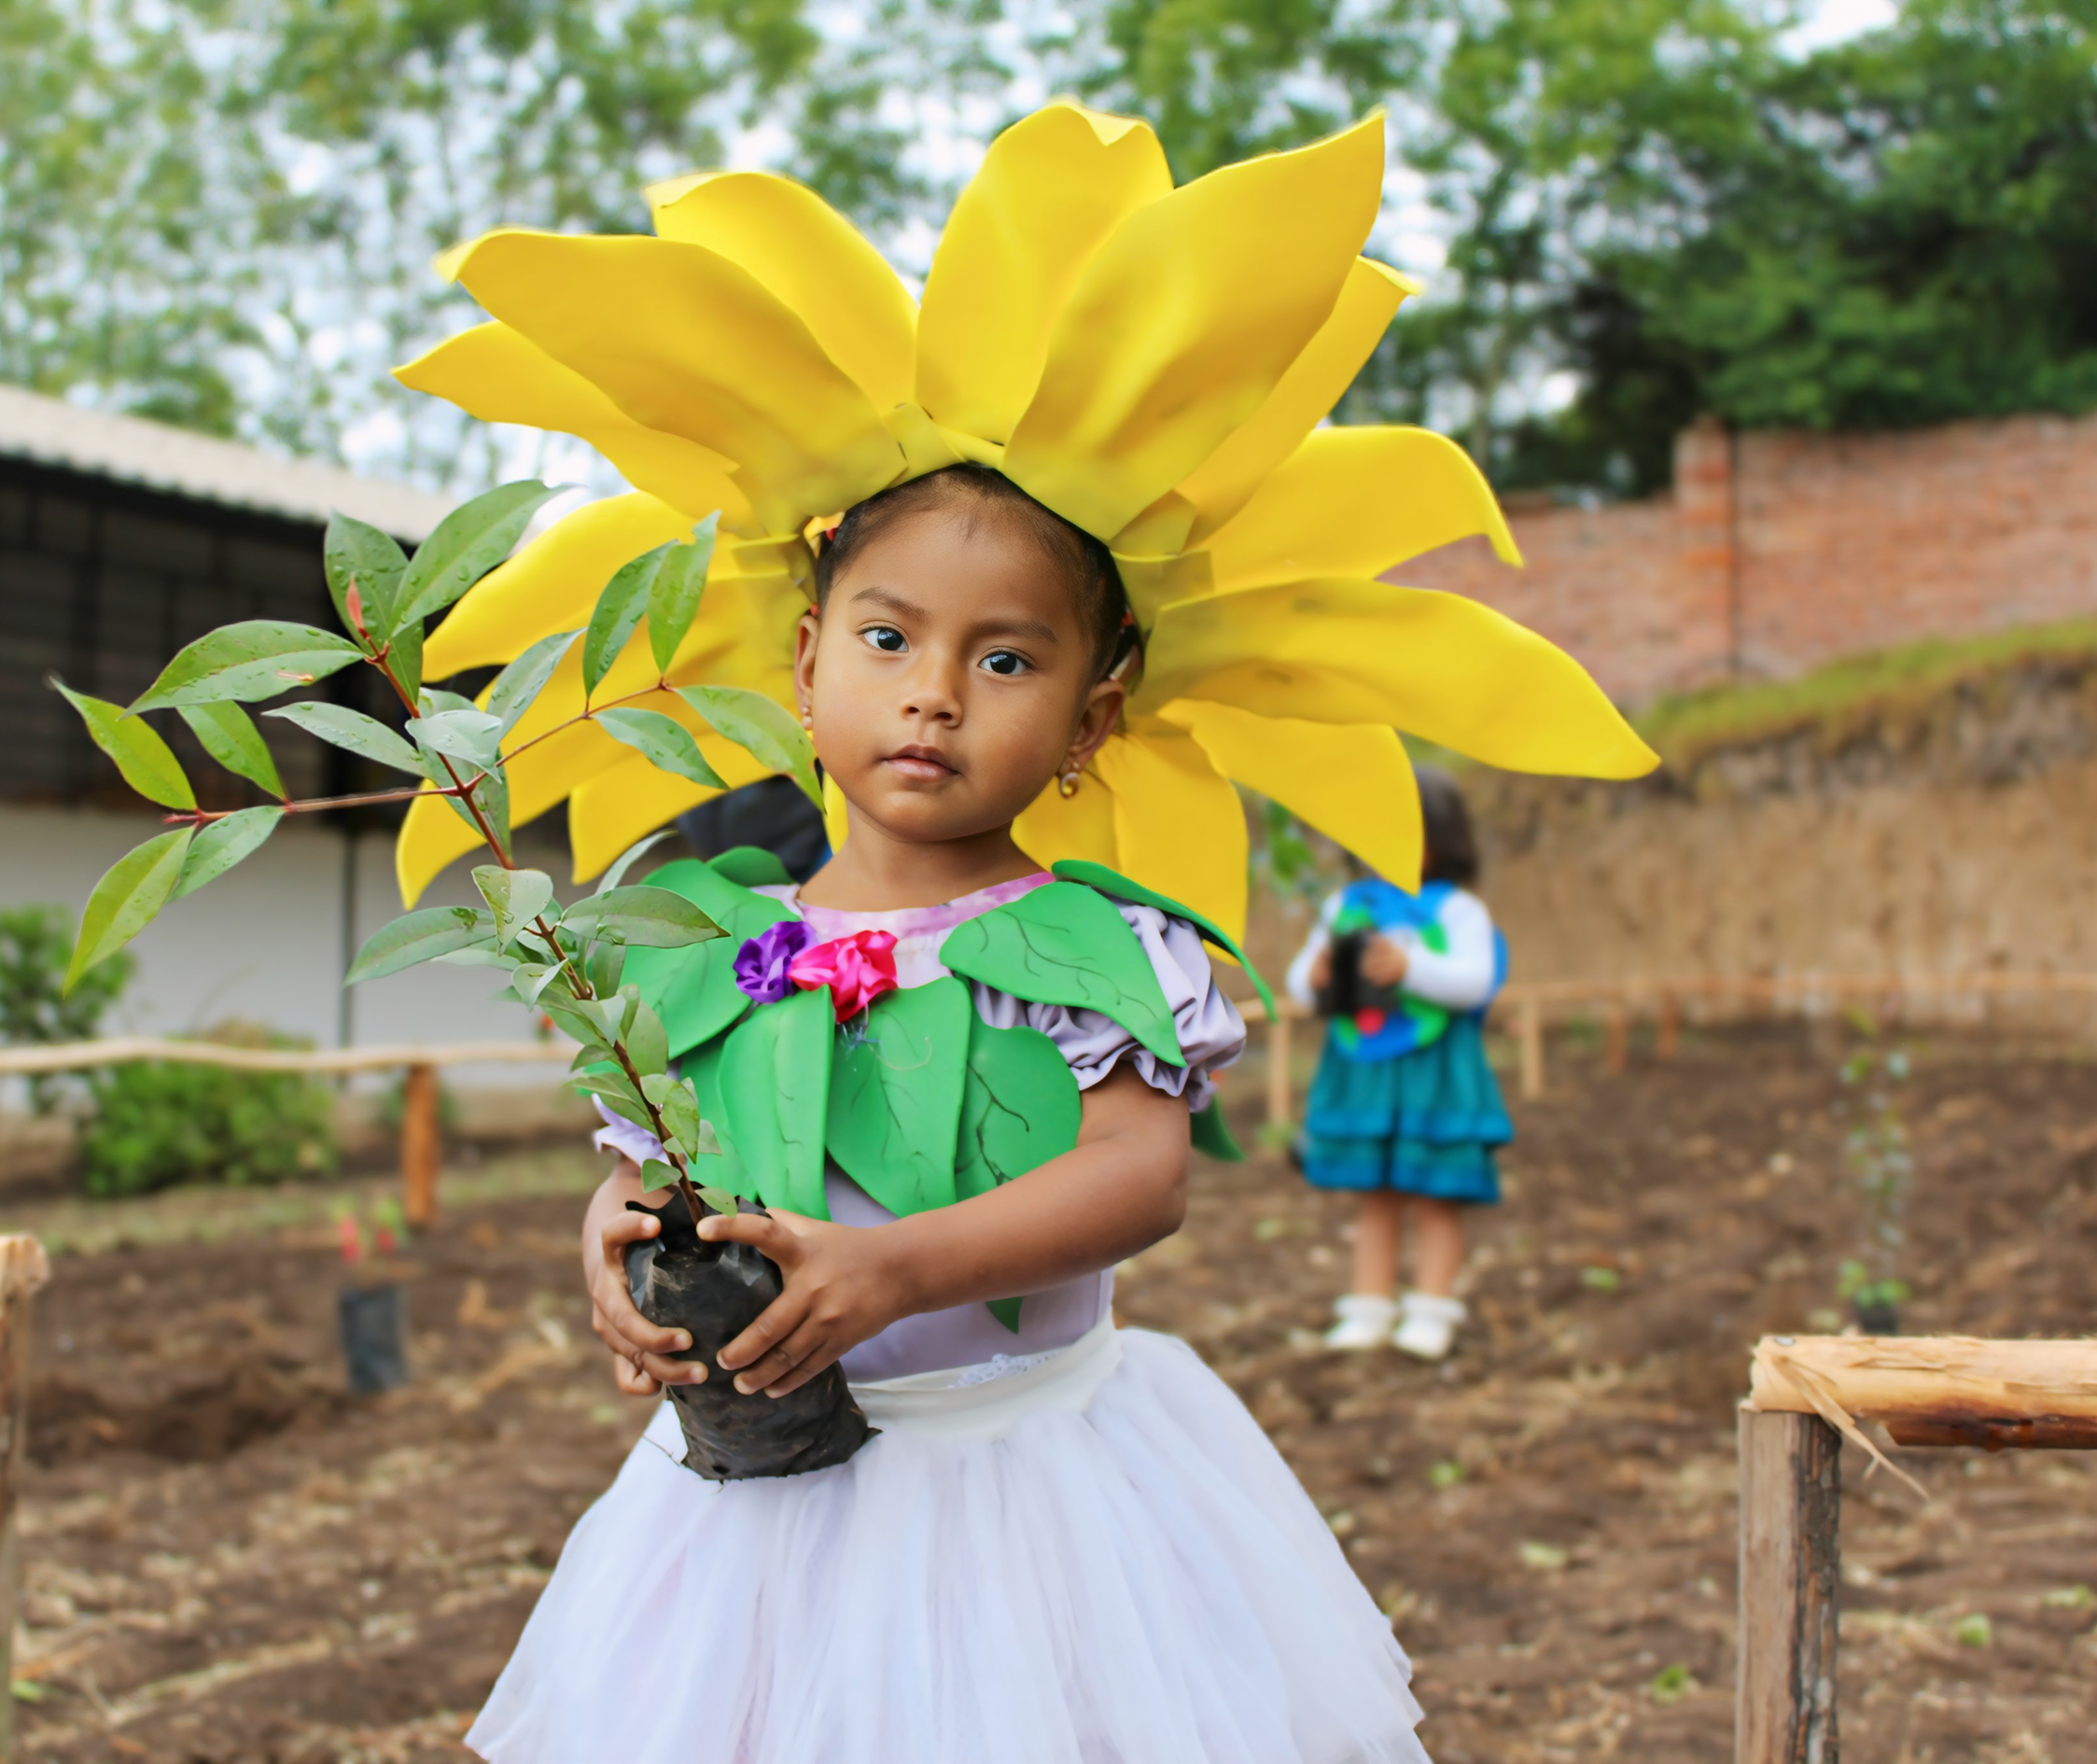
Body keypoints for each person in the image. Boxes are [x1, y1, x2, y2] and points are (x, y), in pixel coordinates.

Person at [389, 95, 1653, 1764]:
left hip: (1028, 1483)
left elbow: (1141, 1177)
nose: (933, 693)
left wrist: (894, 1267)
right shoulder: (702, 936)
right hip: (754, 1512)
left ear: (1093, 716)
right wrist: (611, 1251)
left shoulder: (1092, 939)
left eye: (1006, 659)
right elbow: (652, 1157)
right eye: (890, 635)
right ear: (801, 664)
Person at [1287, 771, 1511, 1362]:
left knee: (1435, 1191)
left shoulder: (1458, 910)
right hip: (1364, 1070)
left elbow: (1476, 982)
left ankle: (1431, 1309)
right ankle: (1369, 1307)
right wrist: (1313, 980)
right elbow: (1306, 983)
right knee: (1374, 1192)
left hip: (1435, 1072)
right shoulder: (1345, 906)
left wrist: (1408, 967)